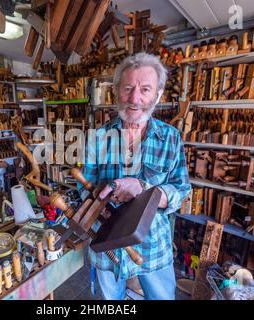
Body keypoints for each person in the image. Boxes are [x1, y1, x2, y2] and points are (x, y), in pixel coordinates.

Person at [81, 52, 192, 300]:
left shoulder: (171, 137)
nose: (135, 98)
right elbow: (82, 191)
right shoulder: (98, 138)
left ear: (157, 95)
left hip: (153, 248)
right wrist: (98, 197)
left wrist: (144, 188)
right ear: (116, 91)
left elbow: (182, 189)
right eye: (128, 88)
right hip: (108, 248)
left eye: (144, 89)